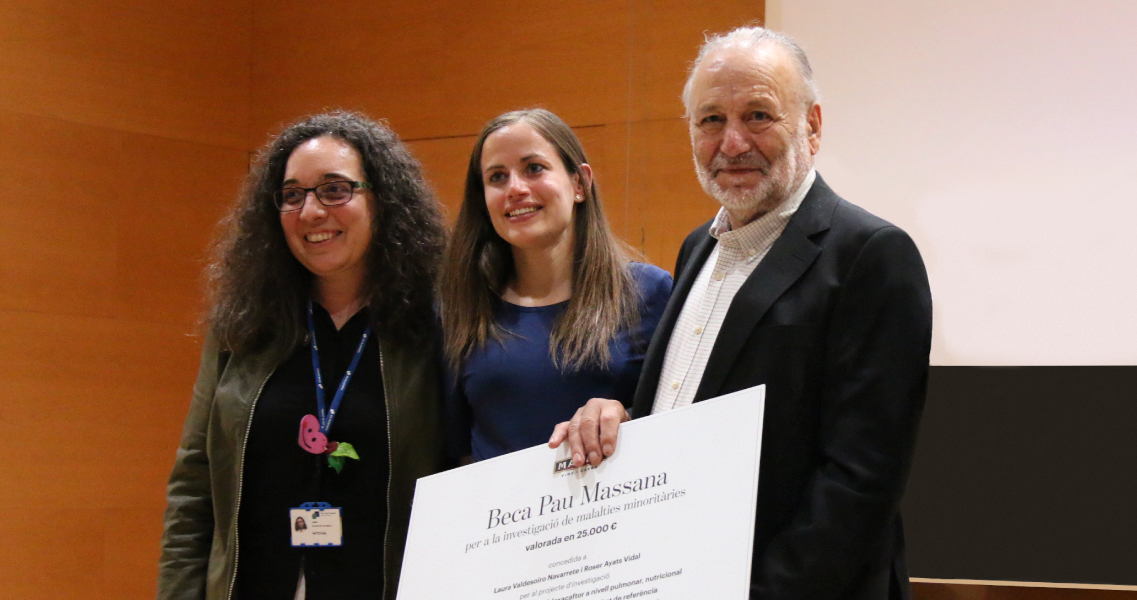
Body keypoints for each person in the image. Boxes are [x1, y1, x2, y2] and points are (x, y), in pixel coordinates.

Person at [549, 26, 933, 600]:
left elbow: (858, 484)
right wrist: (624, 418)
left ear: (813, 125)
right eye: (710, 121)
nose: (731, 143)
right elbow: (698, 415)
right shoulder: (695, 249)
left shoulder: (871, 256)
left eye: (758, 115)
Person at [158, 111, 448, 600]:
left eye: (335, 189)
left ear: (383, 200)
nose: (312, 212)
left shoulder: (436, 327)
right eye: (293, 195)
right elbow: (195, 485)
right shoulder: (245, 326)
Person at [440, 108, 672, 462]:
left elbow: (678, 423)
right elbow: (453, 452)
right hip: (503, 515)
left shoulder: (648, 292)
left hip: (614, 509)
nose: (515, 189)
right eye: (497, 177)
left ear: (579, 183)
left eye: (534, 168)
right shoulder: (462, 308)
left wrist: (625, 416)